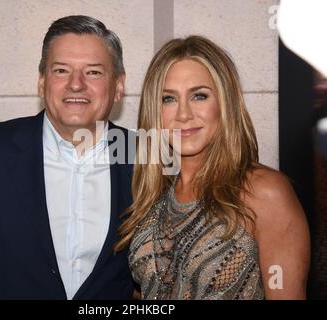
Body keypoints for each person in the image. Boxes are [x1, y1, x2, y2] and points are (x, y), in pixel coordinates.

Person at [0, 15, 134, 299]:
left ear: (119, 85)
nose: (76, 84)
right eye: (61, 70)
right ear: (41, 81)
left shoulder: (147, 159)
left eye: (94, 72)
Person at [115, 35, 311, 299]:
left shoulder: (265, 193)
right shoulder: (150, 193)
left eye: (199, 96)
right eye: (168, 99)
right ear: (154, 109)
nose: (183, 114)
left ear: (225, 103)